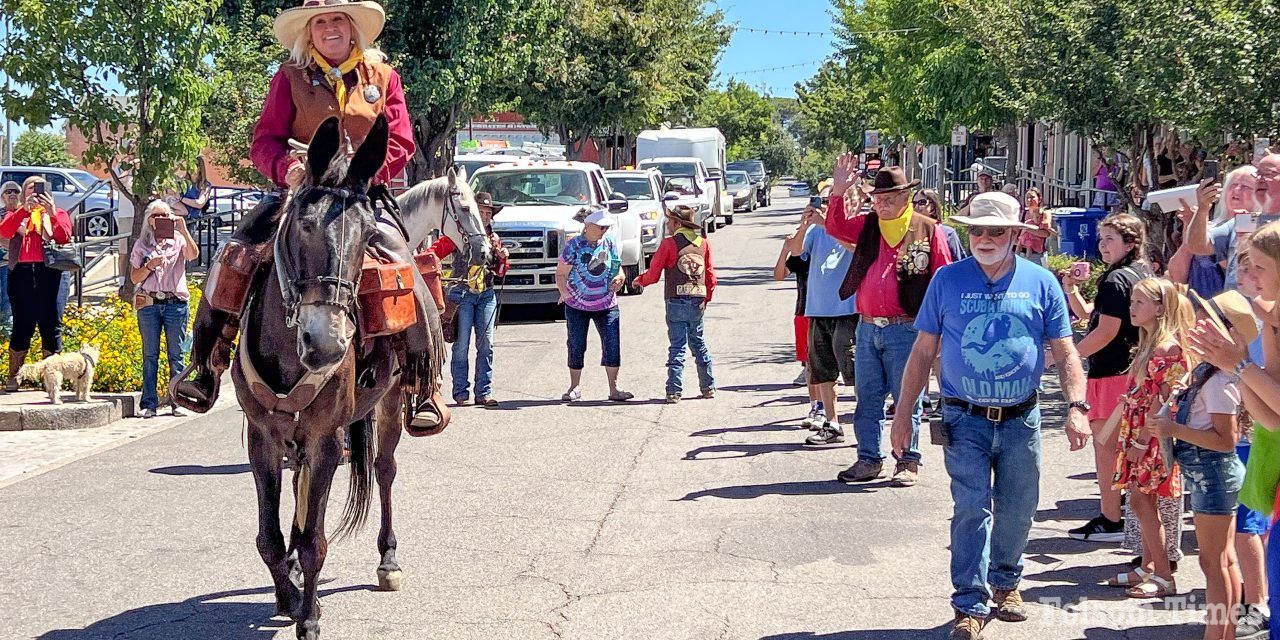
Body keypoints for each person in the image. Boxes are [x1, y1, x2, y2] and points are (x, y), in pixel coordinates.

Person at [171, 0, 446, 430]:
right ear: (310, 32)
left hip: (362, 197)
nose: (330, 28)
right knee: (235, 254)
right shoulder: (289, 78)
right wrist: (288, 168)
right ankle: (205, 366)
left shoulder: (383, 78)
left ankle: (421, 384)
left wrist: (366, 173)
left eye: (338, 20)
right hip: (298, 196)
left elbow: (402, 142)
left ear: (353, 28)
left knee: (403, 265)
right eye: (321, 22)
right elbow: (265, 142)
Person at [889, 191, 1091, 639]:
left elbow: (1065, 350)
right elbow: (923, 351)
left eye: (995, 230)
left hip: (1022, 419)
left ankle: (1006, 581)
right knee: (971, 507)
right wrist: (905, 415)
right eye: (975, 229)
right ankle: (969, 604)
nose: (983, 238)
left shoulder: (1042, 283)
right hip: (965, 419)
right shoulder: (946, 280)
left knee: (1018, 510)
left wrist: (1077, 406)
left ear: (1015, 235)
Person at [825, 154, 953, 486]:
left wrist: (941, 333)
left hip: (908, 327)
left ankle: (907, 460)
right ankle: (869, 458)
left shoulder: (928, 230)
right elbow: (836, 226)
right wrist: (838, 192)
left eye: (888, 198)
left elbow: (944, 280)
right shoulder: (869, 225)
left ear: (906, 198)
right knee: (866, 397)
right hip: (868, 326)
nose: (880, 204)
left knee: (906, 397)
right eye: (877, 198)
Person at [1151, 290, 1253, 640]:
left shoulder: (1220, 380)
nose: (1196, 324)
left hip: (1214, 474)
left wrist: (1172, 429)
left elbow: (1226, 440)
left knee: (1214, 562)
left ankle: (1217, 633)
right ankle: (1222, 631)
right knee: (1220, 560)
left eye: (1206, 320)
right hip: (1207, 473)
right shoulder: (1207, 374)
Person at [1061, 213, 1154, 542]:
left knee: (1106, 448)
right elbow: (1092, 316)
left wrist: (1068, 355)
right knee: (1125, 447)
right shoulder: (1140, 273)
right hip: (1133, 370)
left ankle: (1110, 518)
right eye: (1101, 239)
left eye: (1110, 239)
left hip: (1112, 373)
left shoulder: (1116, 281)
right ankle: (1125, 515)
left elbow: (1106, 331)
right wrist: (1071, 290)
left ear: (1130, 243)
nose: (1102, 245)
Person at [1105, 278, 1191, 599]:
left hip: (1151, 436)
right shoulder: (1149, 342)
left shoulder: (1165, 346)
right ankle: (1148, 566)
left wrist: (1140, 442)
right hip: (1142, 431)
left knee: (1143, 500)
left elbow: (1163, 399)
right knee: (1141, 501)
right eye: (1132, 301)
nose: (1132, 307)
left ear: (1159, 307)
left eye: (1140, 302)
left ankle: (1164, 576)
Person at [427, 192, 510, 407]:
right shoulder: (458, 235)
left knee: (486, 344)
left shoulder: (494, 239)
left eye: (487, 212)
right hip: (462, 294)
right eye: (480, 211)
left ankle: (484, 392)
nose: (484, 215)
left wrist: (502, 259)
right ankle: (461, 393)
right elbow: (432, 253)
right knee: (461, 345)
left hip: (486, 294)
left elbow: (500, 273)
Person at [632, 204, 717, 403]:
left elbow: (654, 274)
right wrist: (707, 298)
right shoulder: (703, 244)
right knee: (698, 342)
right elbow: (711, 277)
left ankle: (674, 390)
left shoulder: (669, 244)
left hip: (676, 299)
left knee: (678, 345)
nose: (668, 225)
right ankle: (708, 387)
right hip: (697, 299)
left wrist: (639, 280)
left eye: (670, 221)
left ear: (678, 223)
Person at [790, 198, 855, 445]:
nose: (823, 207)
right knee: (823, 371)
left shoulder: (850, 225)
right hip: (817, 310)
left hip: (847, 309)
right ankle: (833, 422)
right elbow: (796, 253)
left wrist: (829, 223)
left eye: (829, 202)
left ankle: (868, 425)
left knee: (854, 371)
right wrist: (803, 226)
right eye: (821, 203)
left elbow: (856, 249)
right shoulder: (815, 230)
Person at [0, 176, 73, 392]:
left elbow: (64, 236)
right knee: (22, 324)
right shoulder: (18, 214)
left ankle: (51, 379)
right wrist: (24, 210)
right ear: (23, 194)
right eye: (30, 188)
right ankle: (15, 375)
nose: (35, 192)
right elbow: (4, 232)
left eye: (39, 188)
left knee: (51, 324)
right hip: (21, 272)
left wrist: (50, 211)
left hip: (50, 272)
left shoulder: (57, 213)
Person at [129, 200, 200, 418]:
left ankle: (177, 400)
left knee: (176, 354)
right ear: (149, 220)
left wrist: (183, 229)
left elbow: (192, 255)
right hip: (150, 303)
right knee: (150, 355)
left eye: (165, 215)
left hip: (174, 303)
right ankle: (148, 403)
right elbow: (134, 277)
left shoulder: (178, 240)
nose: (161, 220)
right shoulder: (142, 244)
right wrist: (149, 265)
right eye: (156, 216)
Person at [556, 208, 631, 402]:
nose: (604, 230)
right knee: (576, 344)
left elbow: (617, 267)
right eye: (600, 227)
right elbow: (561, 273)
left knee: (612, 345)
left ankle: (614, 388)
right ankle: (574, 387)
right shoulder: (574, 245)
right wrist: (564, 293)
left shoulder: (609, 242)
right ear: (588, 226)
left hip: (607, 303)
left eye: (606, 227)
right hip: (577, 304)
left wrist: (620, 277)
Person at [773, 215, 821, 422]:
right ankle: (815, 406)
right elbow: (779, 275)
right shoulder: (802, 256)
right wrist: (785, 249)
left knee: (827, 364)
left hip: (828, 313)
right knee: (810, 365)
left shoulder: (834, 251)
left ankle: (827, 409)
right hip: (804, 313)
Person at [914, 188, 965, 260]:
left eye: (922, 202)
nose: (916, 207)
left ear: (933, 207)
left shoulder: (948, 233)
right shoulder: (909, 233)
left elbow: (958, 263)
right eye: (914, 203)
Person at [1014, 187, 1051, 266]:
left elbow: (1046, 233)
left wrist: (1027, 228)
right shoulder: (1022, 213)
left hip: (1036, 254)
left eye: (1032, 197)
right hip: (1021, 252)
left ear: (1039, 199)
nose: (1029, 200)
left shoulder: (1044, 213)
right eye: (1027, 197)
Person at [0, 180, 18, 330]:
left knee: (8, 299)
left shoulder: (24, 213)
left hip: (14, 263)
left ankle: (7, 332)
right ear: (2, 196)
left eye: (16, 191)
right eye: (8, 192)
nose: (12, 194)